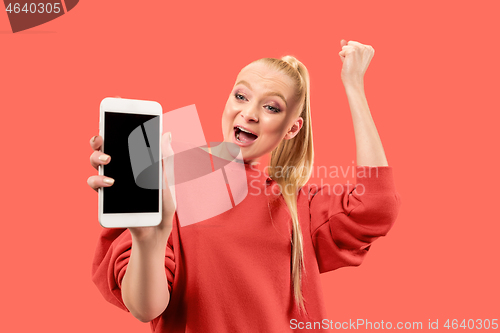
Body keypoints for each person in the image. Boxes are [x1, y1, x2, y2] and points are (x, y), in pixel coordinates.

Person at [88, 39, 402, 332]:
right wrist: (149, 238)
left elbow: (376, 205)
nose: (249, 114)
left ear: (292, 128)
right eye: (241, 96)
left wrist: (355, 87)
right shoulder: (169, 181)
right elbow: (146, 308)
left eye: (271, 107)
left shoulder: (296, 205)